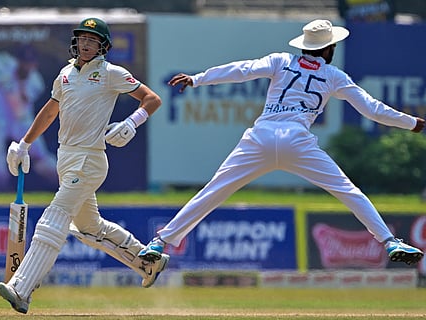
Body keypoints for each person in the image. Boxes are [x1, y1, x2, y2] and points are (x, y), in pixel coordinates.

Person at [139, 19, 425, 267]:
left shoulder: (280, 60)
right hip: (297, 141)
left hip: (260, 138)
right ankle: (388, 242)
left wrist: (198, 79)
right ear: (329, 50)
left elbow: (242, 70)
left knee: (213, 191)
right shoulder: (334, 75)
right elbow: (372, 109)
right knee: (348, 191)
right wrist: (413, 123)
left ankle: (160, 242)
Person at [0, 17, 169, 314]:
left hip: (90, 159)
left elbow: (151, 99)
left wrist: (131, 122)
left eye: (93, 40)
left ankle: (21, 289)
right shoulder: (64, 75)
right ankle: (145, 260)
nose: (86, 44)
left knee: (55, 216)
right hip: (67, 158)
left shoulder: (111, 73)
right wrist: (24, 144)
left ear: (103, 46)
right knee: (88, 228)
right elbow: (50, 112)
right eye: (82, 38)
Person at [0, 45, 57, 191]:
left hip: (22, 120)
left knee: (40, 157)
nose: (26, 66)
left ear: (34, 64)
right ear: (17, 61)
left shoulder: (35, 82)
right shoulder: (5, 65)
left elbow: (18, 107)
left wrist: (15, 83)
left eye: (29, 62)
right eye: (23, 61)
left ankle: (63, 184)